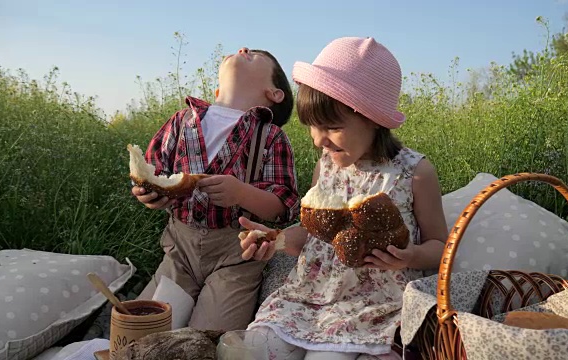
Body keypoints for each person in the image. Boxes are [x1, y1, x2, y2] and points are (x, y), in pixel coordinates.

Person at [238, 37, 449, 359]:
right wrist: (275, 240)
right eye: (311, 126)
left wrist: (410, 256)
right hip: (310, 294)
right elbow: (313, 234)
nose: (319, 139)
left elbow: (441, 248)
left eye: (333, 127)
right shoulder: (326, 166)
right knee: (255, 347)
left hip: (376, 302)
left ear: (374, 119)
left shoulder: (415, 173)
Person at [132, 47, 300, 332]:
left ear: (274, 93)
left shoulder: (269, 135)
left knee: (210, 335)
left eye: (257, 56)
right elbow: (153, 170)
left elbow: (284, 205)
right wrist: (150, 192)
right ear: (217, 88)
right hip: (179, 252)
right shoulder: (182, 121)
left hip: (236, 258)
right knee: (144, 327)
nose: (243, 49)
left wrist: (242, 194)